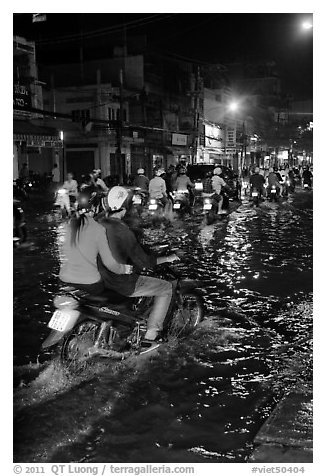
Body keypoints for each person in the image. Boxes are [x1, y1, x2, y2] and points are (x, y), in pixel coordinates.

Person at [96, 186, 179, 351]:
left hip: (97, 278)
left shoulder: (97, 223)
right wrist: (167, 258)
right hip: (118, 282)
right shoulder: (122, 230)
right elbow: (144, 262)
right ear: (125, 207)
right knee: (166, 288)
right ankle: (150, 337)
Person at [59, 193, 133, 301]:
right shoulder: (98, 229)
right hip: (90, 285)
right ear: (94, 208)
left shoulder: (63, 226)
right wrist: (124, 269)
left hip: (63, 282)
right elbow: (110, 264)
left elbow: (62, 257)